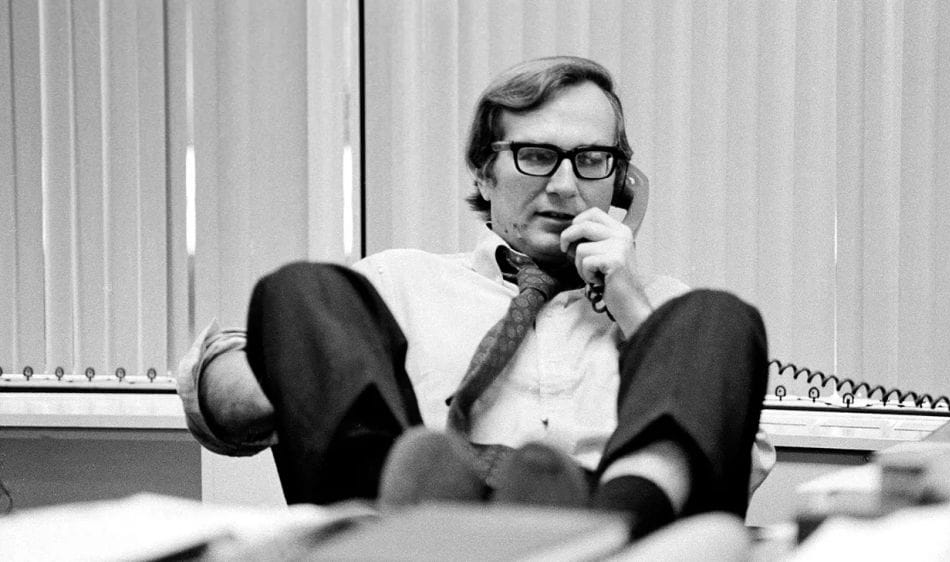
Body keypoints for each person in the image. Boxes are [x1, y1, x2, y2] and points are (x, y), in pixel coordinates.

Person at [177, 55, 773, 541]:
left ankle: (610, 526)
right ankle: (405, 517)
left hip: (625, 534)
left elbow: (739, 466)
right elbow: (218, 407)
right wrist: (302, 369)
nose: (565, 185)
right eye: (537, 156)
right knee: (301, 288)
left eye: (592, 160)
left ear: (621, 183)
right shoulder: (397, 284)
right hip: (409, 525)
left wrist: (633, 310)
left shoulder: (667, 312)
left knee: (717, 313)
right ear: (485, 174)